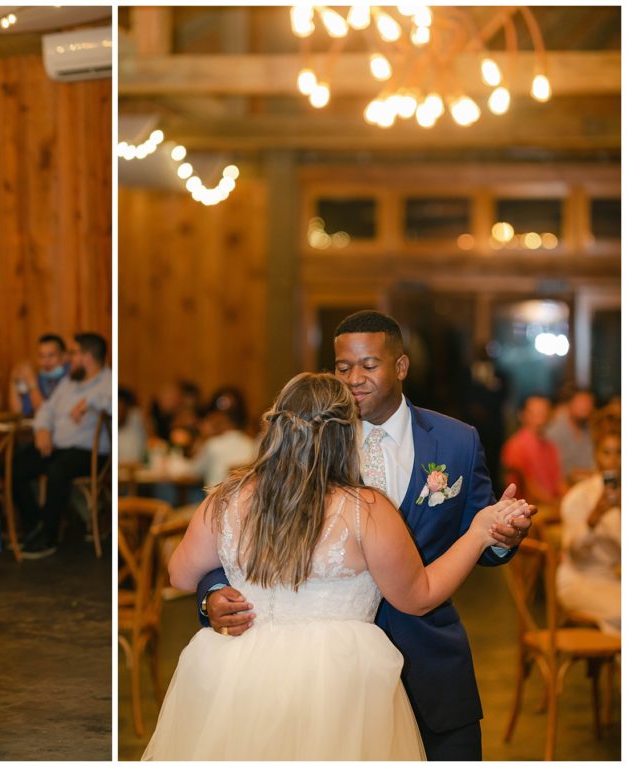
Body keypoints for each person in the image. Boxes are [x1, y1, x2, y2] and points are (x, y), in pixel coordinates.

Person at [197, 310, 535, 760]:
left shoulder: (457, 441)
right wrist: (212, 593)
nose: (354, 379)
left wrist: (501, 537)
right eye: (342, 367)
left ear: (400, 367)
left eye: (369, 366)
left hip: (428, 659)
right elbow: (237, 537)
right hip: (325, 678)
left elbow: (482, 533)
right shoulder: (309, 439)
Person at [12, 333, 112, 560]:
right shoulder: (69, 382)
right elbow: (46, 409)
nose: (69, 359)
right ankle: (36, 524)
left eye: (74, 353)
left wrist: (91, 401)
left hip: (89, 453)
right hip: (57, 447)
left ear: (87, 356)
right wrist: (42, 430)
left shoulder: (108, 382)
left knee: (57, 470)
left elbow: (117, 405)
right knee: (17, 464)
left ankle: (48, 538)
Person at [556, 409, 620, 634]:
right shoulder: (580, 496)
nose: (613, 460)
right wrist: (594, 518)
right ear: (596, 455)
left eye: (620, 452)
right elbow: (574, 552)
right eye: (607, 452)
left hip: (612, 580)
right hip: (579, 580)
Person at [501, 395, 565, 506]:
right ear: (522, 415)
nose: (541, 416)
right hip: (527, 510)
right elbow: (528, 488)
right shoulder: (515, 446)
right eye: (536, 412)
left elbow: (559, 483)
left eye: (544, 411)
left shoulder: (551, 446)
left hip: (552, 507)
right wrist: (555, 503)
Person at [190, 388, 257, 487]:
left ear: (219, 419)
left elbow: (193, 471)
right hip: (244, 500)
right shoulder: (251, 444)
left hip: (216, 500)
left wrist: (203, 437)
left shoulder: (213, 444)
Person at [8, 334, 69, 416]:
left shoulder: (71, 377)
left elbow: (45, 414)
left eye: (51, 355)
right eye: (42, 356)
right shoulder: (40, 377)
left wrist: (31, 382)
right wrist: (14, 380)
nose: (46, 361)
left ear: (63, 356)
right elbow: (18, 411)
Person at [546, 387, 596, 484]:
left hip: (587, 485)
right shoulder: (554, 433)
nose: (585, 407)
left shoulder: (591, 432)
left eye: (588, 402)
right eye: (581, 402)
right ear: (569, 404)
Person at [118, 387, 148, 465]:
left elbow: (153, 438)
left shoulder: (137, 417)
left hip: (137, 467)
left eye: (121, 407)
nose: (119, 411)